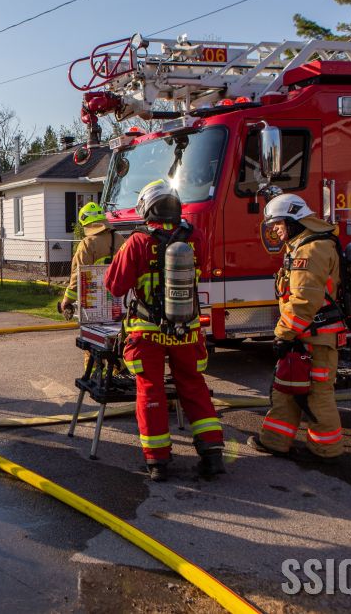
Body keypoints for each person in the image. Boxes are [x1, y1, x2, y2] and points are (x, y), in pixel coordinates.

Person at [104, 180, 224, 481]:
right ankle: (212, 454)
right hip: (188, 329)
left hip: (147, 331)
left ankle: (157, 461)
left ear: (147, 208)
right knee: (193, 385)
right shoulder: (196, 236)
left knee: (150, 390)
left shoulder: (138, 241)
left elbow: (114, 285)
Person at [249, 194, 345, 462]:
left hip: (316, 338)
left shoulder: (310, 251)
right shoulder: (302, 246)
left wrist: (283, 334)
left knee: (317, 395)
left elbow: (304, 302)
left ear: (293, 222)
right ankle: (275, 442)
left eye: (279, 224)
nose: (276, 231)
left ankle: (326, 451)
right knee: (286, 389)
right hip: (306, 336)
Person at [60, 200, 126, 318]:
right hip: (119, 301)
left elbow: (78, 275)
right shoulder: (120, 239)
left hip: (93, 303)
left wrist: (67, 300)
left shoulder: (87, 244)